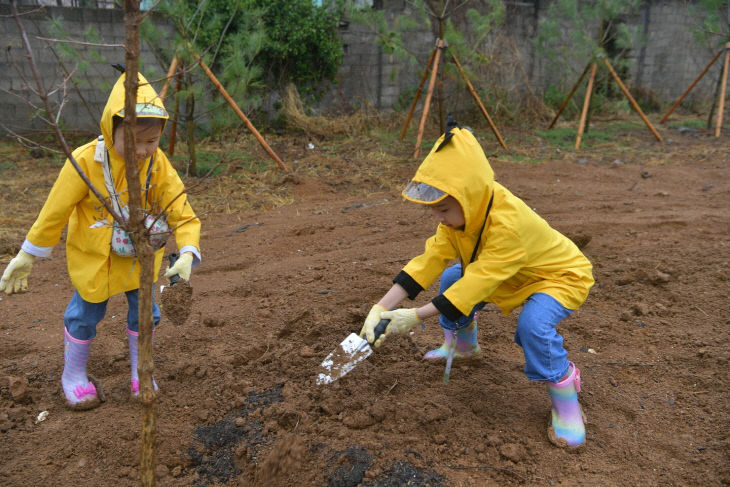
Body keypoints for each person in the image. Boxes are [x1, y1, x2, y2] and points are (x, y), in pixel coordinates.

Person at [359, 117, 594, 448]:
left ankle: (566, 400)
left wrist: (412, 316)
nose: (437, 218)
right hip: (511, 274)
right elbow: (430, 260)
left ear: (469, 195)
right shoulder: (462, 215)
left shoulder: (508, 224)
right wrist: (381, 307)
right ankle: (463, 346)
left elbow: (476, 285)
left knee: (533, 326)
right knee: (452, 274)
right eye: (433, 210)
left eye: (442, 209)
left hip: (557, 277)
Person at [0, 71, 201, 410]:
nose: (142, 150)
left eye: (151, 142)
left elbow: (181, 209)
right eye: (134, 142)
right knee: (84, 314)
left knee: (145, 314)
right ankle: (74, 374)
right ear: (111, 130)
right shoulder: (84, 162)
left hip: (140, 257)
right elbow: (55, 210)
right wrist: (28, 255)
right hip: (94, 259)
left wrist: (186, 251)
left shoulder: (158, 164)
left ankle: (142, 369)